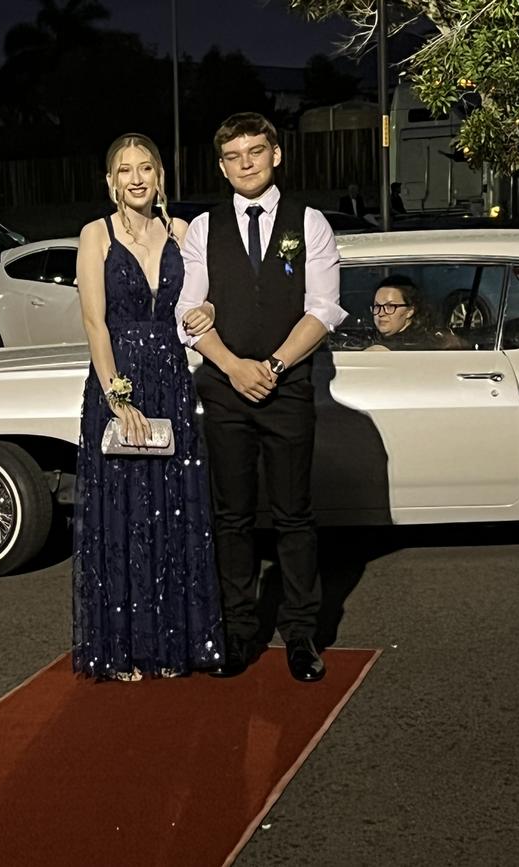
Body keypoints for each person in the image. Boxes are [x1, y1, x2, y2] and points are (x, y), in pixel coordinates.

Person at [176, 112, 346, 682]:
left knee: (294, 515)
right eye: (233, 155)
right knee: (231, 517)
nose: (245, 162)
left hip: (288, 387)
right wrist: (232, 366)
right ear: (221, 166)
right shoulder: (203, 227)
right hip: (224, 391)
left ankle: (302, 634)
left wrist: (271, 366)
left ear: (277, 155)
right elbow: (189, 310)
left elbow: (323, 308)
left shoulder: (310, 222)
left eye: (255, 151)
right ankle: (238, 631)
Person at [73, 133, 224, 681]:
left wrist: (207, 309)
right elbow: (94, 322)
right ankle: (125, 649)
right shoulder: (96, 235)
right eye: (123, 170)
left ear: (160, 175)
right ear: (109, 181)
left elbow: (202, 300)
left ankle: (169, 644)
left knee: (172, 512)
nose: (135, 178)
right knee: (125, 515)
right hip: (120, 383)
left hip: (171, 381)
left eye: (145, 168)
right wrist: (117, 397)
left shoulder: (183, 232)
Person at [366, 275, 461, 350]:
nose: (381, 313)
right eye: (377, 306)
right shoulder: (373, 338)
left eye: (390, 306)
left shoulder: (415, 345)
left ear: (410, 311)